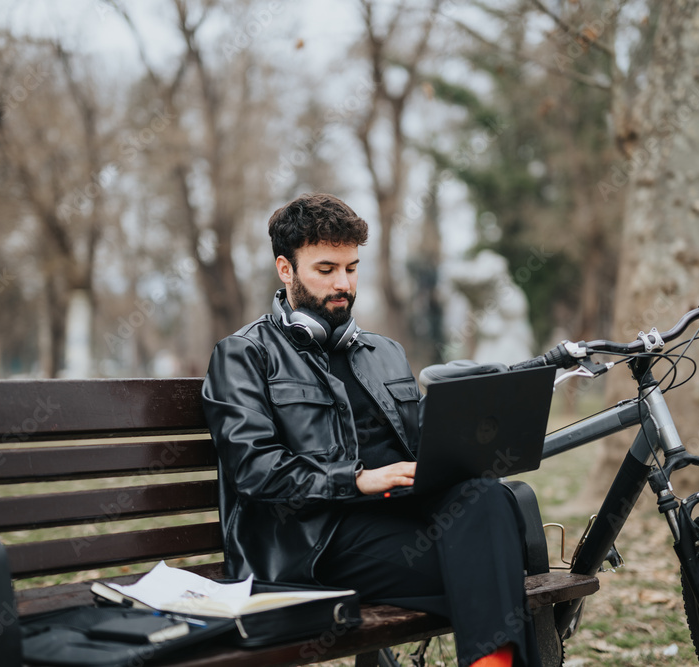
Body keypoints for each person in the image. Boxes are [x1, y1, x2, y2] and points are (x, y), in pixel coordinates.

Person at [201, 193, 537, 667]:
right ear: (285, 269)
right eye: (326, 269)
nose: (344, 283)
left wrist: (467, 444)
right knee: (491, 566)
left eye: (352, 268)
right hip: (316, 542)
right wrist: (356, 479)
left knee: (488, 496)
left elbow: (423, 447)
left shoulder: (385, 352)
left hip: (401, 519)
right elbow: (254, 471)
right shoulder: (243, 355)